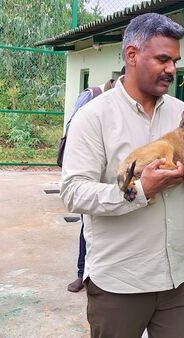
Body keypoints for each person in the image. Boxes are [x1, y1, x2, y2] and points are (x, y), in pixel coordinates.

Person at [60, 13, 184, 337]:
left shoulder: (183, 114)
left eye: (175, 61)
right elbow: (73, 192)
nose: (172, 69)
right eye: (163, 59)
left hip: (179, 279)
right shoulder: (94, 117)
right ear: (132, 55)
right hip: (119, 282)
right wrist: (139, 190)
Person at [64, 69, 124, 293]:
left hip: (117, 174)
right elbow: (73, 128)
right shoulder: (92, 96)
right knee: (88, 221)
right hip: (90, 167)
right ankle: (82, 273)